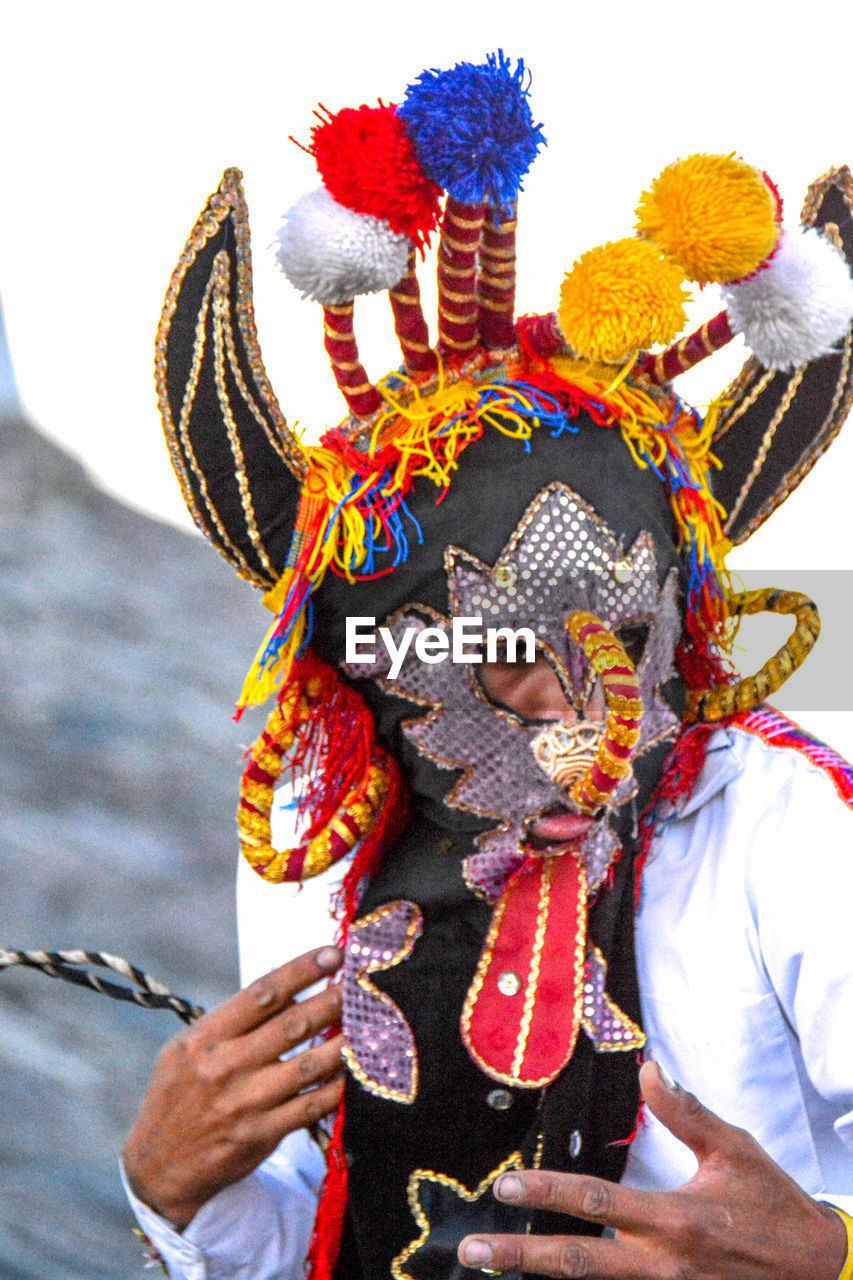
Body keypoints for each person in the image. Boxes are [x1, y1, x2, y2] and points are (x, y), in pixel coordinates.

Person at [124, 55, 853, 1280]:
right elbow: (317, 1232)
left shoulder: (785, 826)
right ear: (368, 670)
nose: (581, 707)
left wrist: (832, 1250)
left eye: (620, 641)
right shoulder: (325, 827)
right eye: (498, 653)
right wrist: (174, 1189)